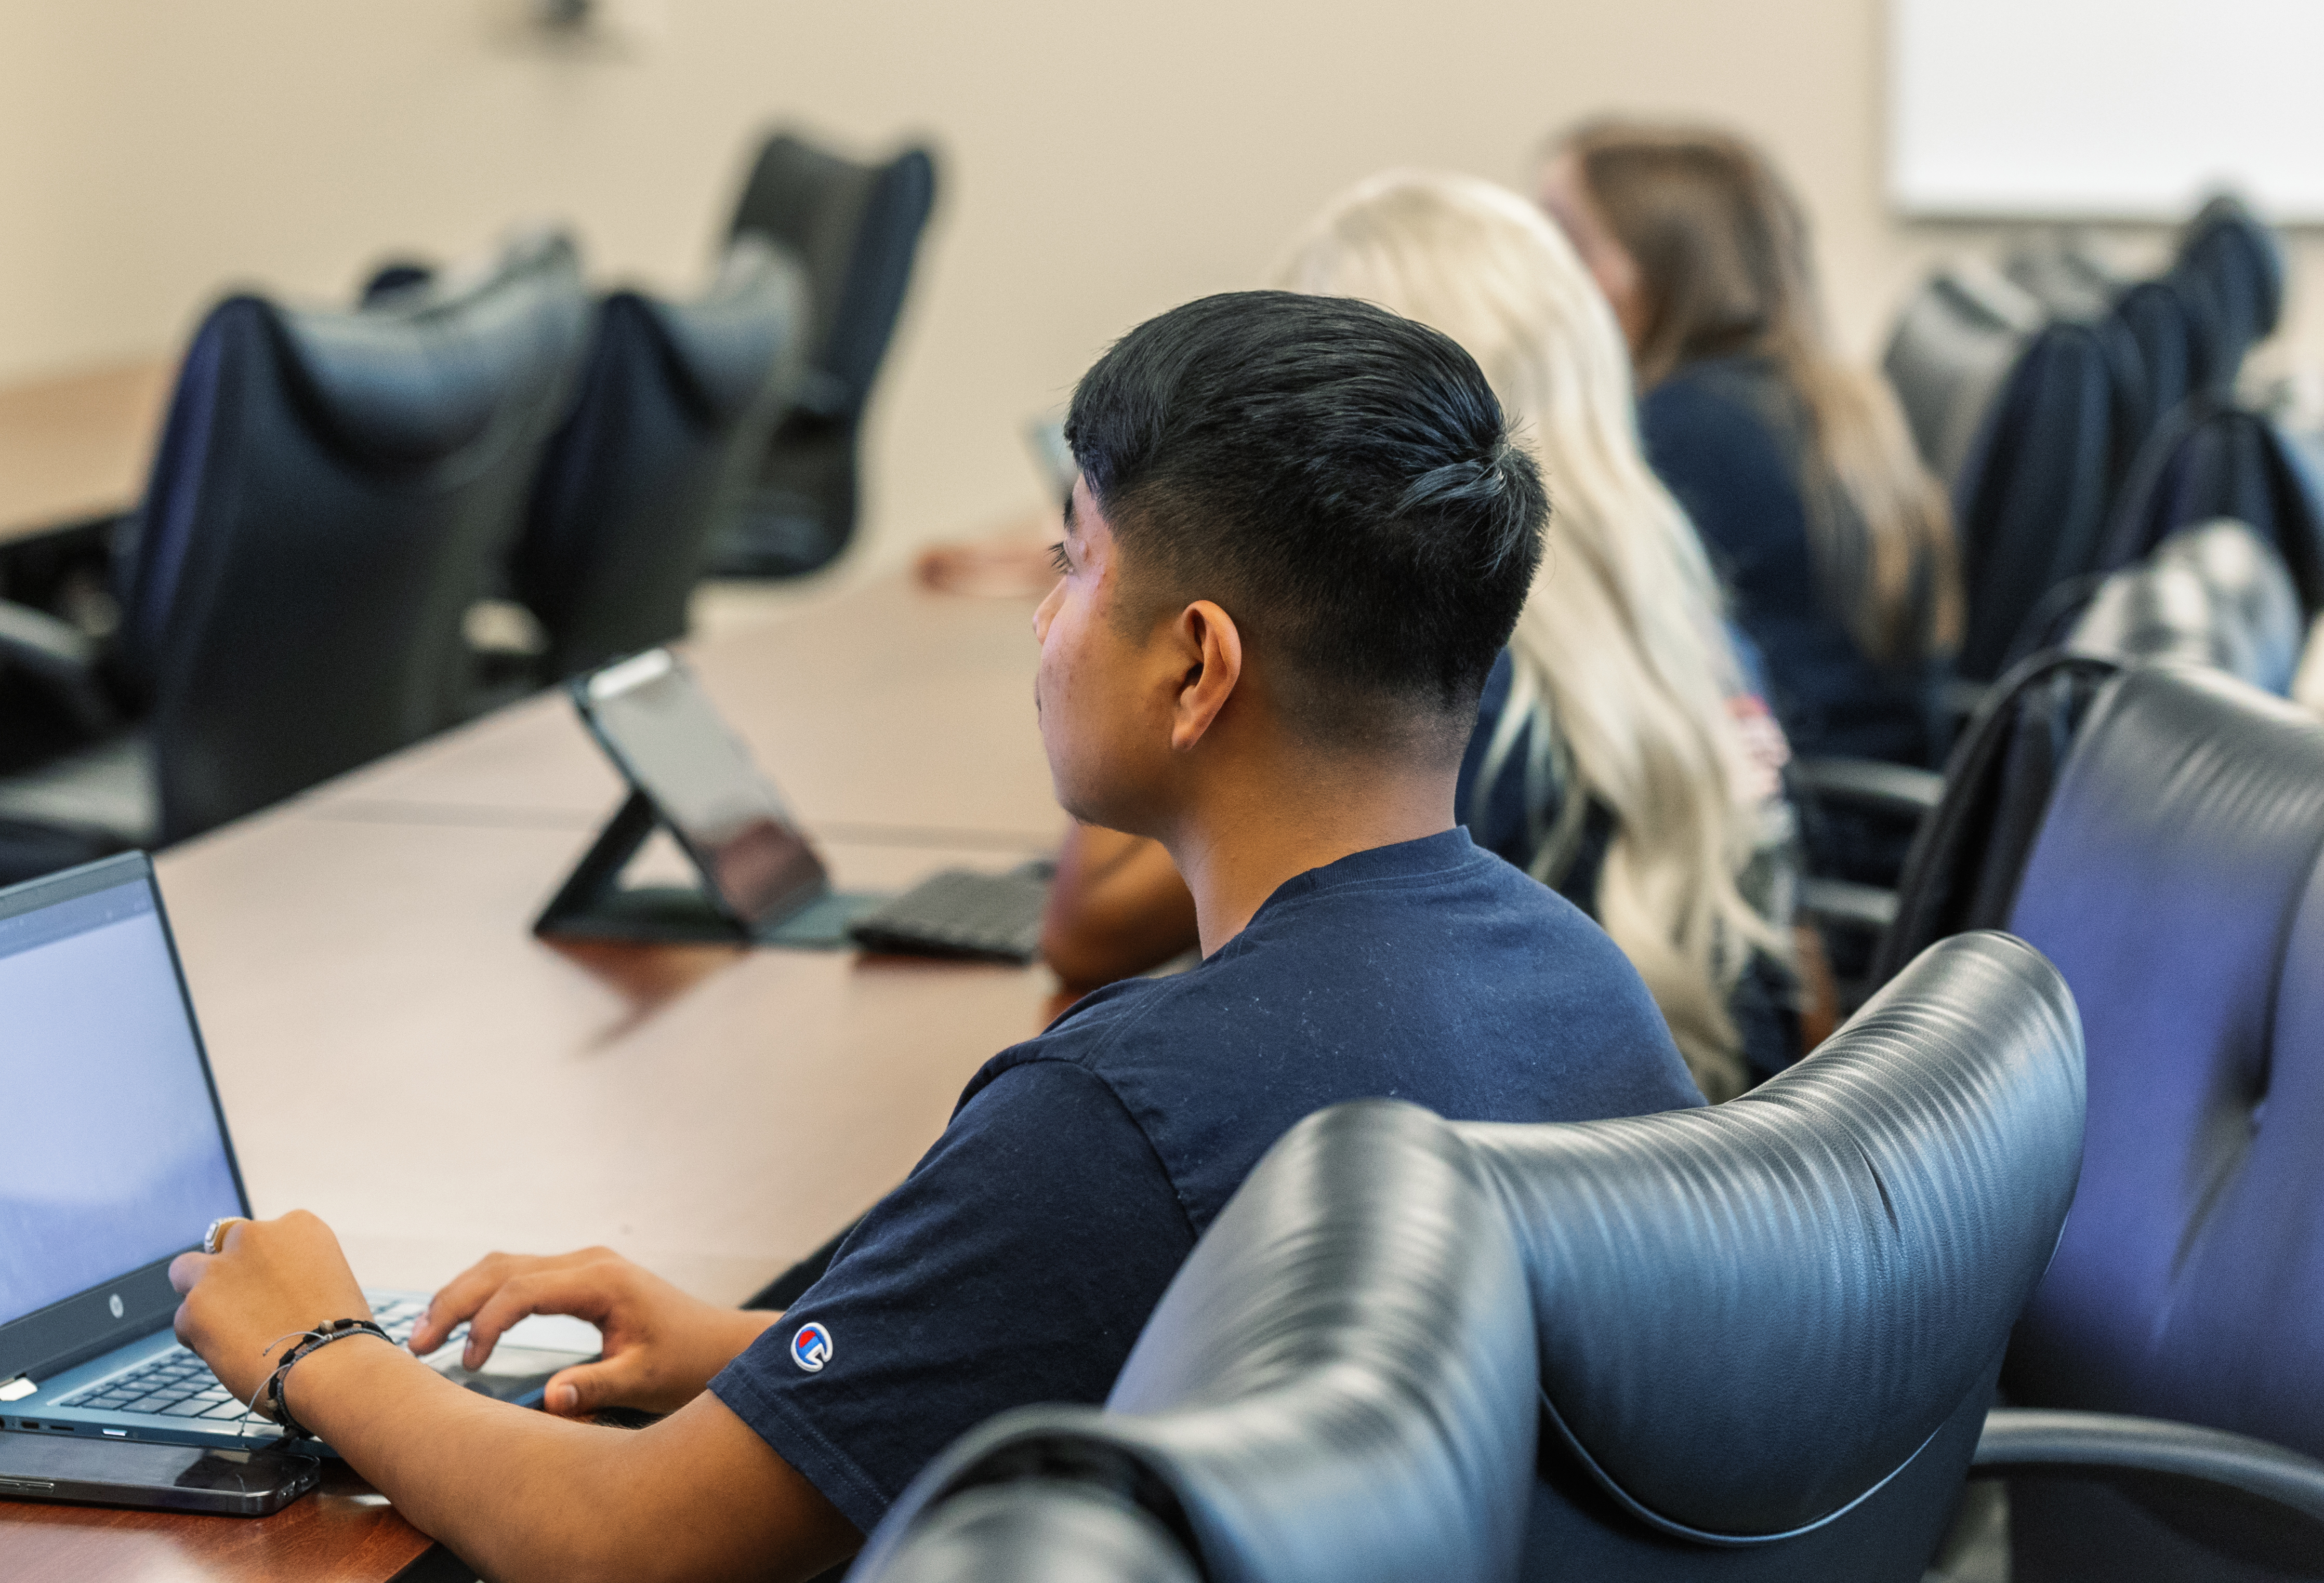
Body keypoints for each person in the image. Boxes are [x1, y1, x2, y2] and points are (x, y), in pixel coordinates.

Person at [166, 291, 1704, 1582]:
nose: (1043, 624)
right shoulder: (1581, 985)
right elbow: (1187, 1364)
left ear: (1196, 665)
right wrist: (759, 1350)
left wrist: (319, 1352)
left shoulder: (1121, 1114)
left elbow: (625, 1539)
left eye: (1073, 564)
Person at [1046, 174, 1808, 1098]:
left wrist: (1128, 580)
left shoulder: (1433, 691)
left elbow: (1093, 928)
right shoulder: (1679, 617)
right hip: (1677, 1167)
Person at [1536, 121, 1958, 790]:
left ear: (1664, 269)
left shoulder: (1689, 430)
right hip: (1853, 810)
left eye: (1567, 244)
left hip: (1798, 828)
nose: (1542, 278)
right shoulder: (1824, 400)